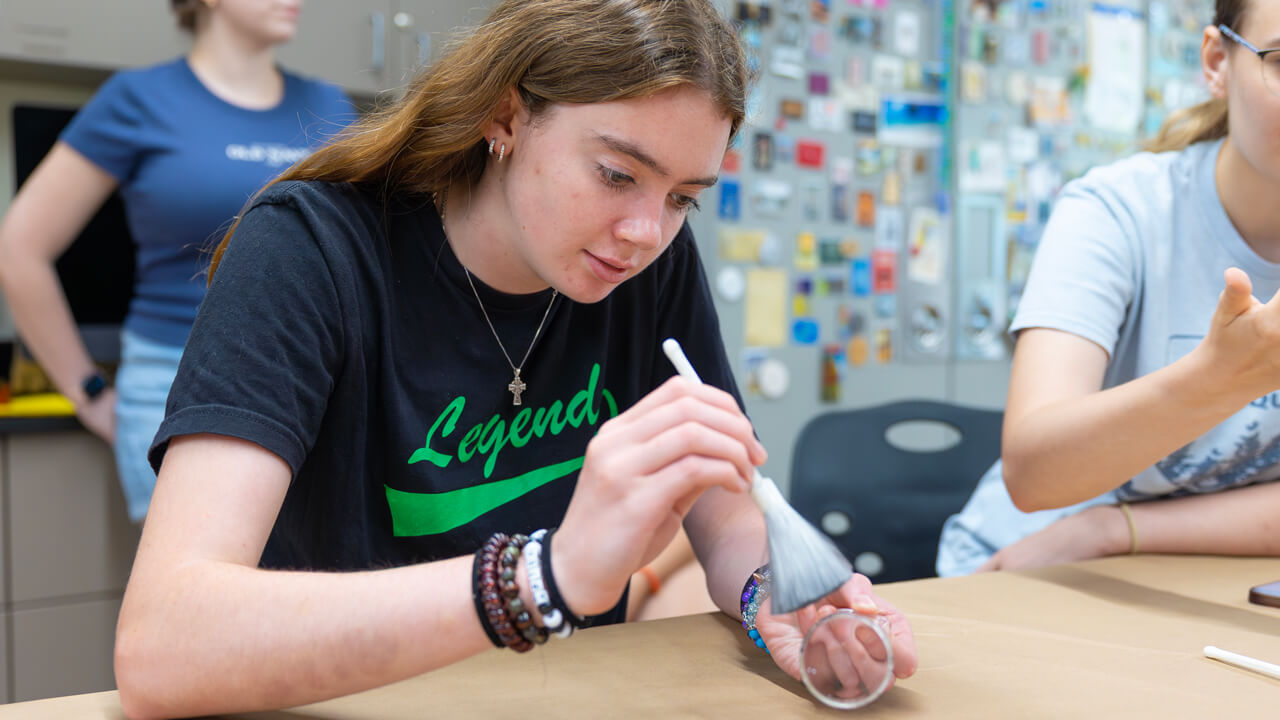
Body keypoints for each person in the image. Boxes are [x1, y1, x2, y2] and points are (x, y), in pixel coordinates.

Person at [112, 1, 917, 716]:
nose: (645, 232)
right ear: (505, 116)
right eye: (615, 174)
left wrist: (771, 592)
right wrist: (541, 579)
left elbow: (724, 507)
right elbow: (164, 647)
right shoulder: (309, 251)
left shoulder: (648, 266)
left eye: (681, 198)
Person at [938, 0, 1280, 576]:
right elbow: (1034, 471)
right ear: (1218, 61)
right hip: (1025, 569)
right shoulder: (1115, 212)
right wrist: (1222, 378)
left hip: (1185, 574)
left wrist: (1114, 529)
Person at [0, 0, 352, 523]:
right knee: (206, 597)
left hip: (318, 385)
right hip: (177, 387)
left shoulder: (330, 106)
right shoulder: (138, 99)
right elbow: (19, 248)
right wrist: (88, 392)